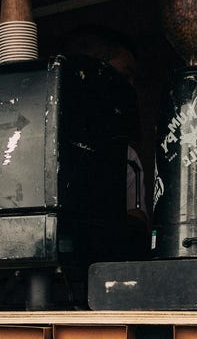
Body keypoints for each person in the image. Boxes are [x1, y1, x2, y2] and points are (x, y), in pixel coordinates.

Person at [58, 25, 150, 235]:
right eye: (124, 77)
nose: (130, 88)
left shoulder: (125, 153)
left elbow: (139, 221)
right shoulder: (45, 136)